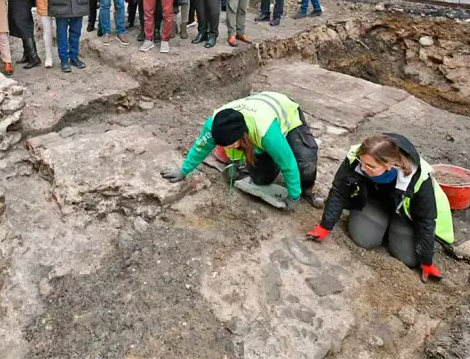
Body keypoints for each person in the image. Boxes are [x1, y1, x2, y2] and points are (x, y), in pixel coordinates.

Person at [306, 134, 454, 281]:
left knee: (409, 259)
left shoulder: (418, 178)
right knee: (364, 240)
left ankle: (392, 228)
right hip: (376, 202)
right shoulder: (358, 157)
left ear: (389, 165)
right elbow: (339, 191)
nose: (362, 168)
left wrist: (426, 260)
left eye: (370, 166)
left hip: (406, 215)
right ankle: (383, 225)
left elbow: (425, 220)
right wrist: (325, 226)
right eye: (362, 162)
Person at [161, 92, 321, 208]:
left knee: (304, 162)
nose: (227, 148)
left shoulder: (266, 133)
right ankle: (268, 158)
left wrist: (293, 195)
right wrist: (183, 170)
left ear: (242, 135)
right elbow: (200, 148)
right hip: (258, 116)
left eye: (230, 144)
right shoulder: (215, 125)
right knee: (261, 180)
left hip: (286, 113)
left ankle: (306, 190)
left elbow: (288, 162)